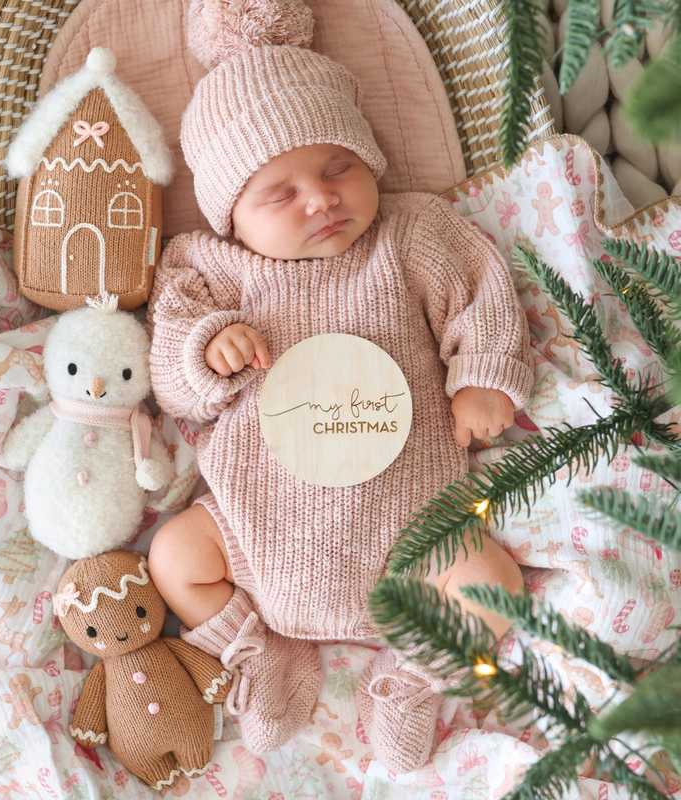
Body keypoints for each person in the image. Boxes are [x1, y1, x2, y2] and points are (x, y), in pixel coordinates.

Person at [147, 0, 533, 771]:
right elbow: (167, 367)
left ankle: (414, 678)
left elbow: (481, 292)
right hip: (258, 530)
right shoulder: (208, 267)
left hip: (415, 538)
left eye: (339, 168)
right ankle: (259, 650)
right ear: (229, 214)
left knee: (495, 584)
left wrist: (481, 379)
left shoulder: (410, 233)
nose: (321, 199)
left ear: (370, 160)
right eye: (279, 193)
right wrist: (205, 349)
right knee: (173, 555)